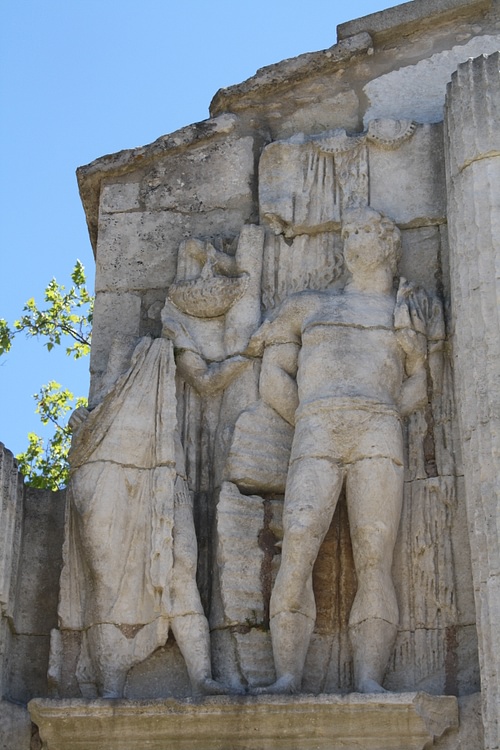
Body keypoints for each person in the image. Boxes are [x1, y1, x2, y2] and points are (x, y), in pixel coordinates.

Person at [251, 206, 428, 694]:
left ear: (388, 243)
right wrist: (313, 414)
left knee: (376, 555)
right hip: (318, 426)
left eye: (365, 231)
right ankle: (287, 674)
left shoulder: (405, 309)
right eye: (348, 231)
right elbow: (273, 379)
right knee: (299, 546)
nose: (353, 239)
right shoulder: (309, 305)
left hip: (377, 427)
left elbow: (421, 381)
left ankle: (370, 677)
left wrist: (383, 411)